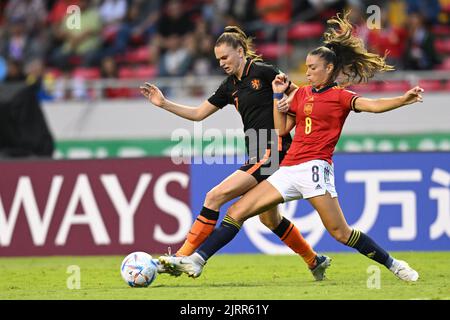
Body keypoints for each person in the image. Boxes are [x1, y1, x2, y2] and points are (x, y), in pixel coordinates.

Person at [160, 12, 422, 282]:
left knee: (340, 233)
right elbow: (283, 128)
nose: (306, 72)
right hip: (287, 168)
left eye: (312, 68)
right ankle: (196, 260)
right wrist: (277, 98)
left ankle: (393, 264)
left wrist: (403, 99)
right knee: (239, 213)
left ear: (329, 69)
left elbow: (374, 106)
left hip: (314, 168)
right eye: (306, 67)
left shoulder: (341, 96)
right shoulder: (301, 94)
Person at [141, 26, 331, 280]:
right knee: (270, 220)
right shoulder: (229, 85)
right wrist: (164, 103)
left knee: (214, 196)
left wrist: (288, 105)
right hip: (257, 153)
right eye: (218, 59)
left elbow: (298, 93)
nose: (222, 63)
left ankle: (182, 257)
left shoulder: (263, 71)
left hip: (273, 151)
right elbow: (199, 114)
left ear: (240, 52)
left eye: (225, 57)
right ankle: (314, 260)